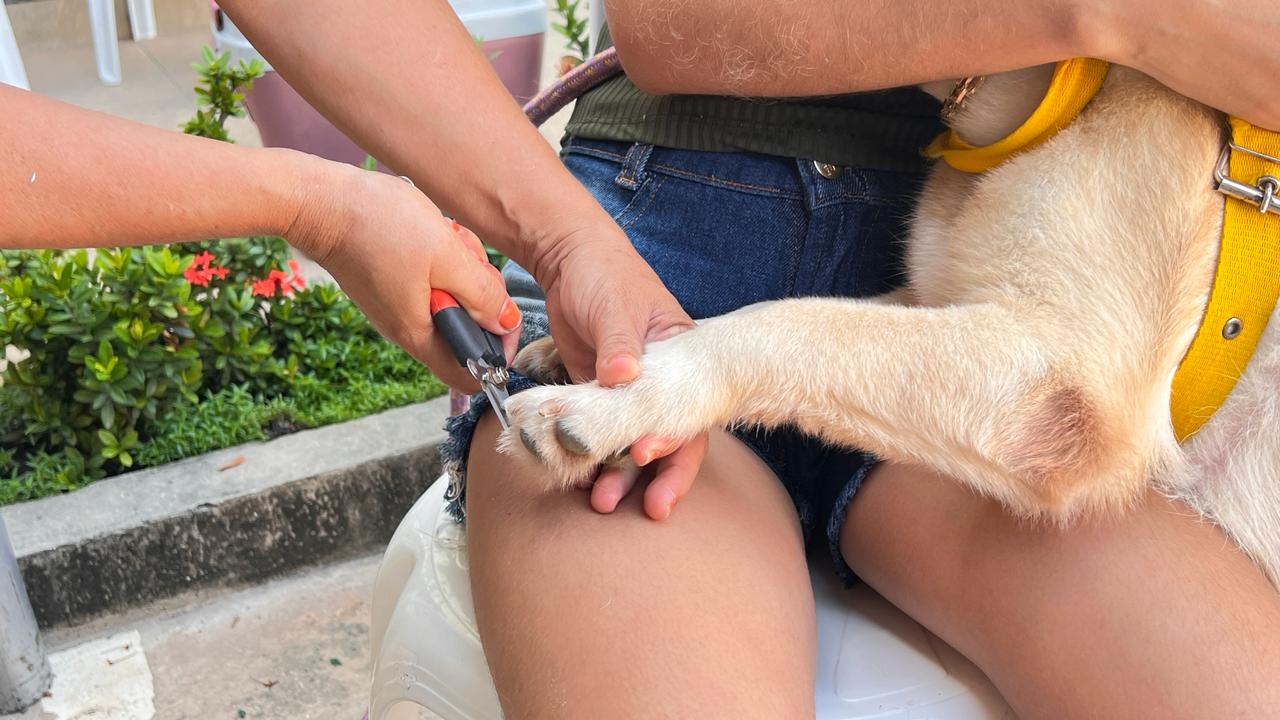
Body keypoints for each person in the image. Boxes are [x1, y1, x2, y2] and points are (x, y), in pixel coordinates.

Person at [6, 1, 1279, 718]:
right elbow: (682, 24)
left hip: (995, 322)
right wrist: (1134, 18)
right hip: (675, 246)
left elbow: (1054, 417)